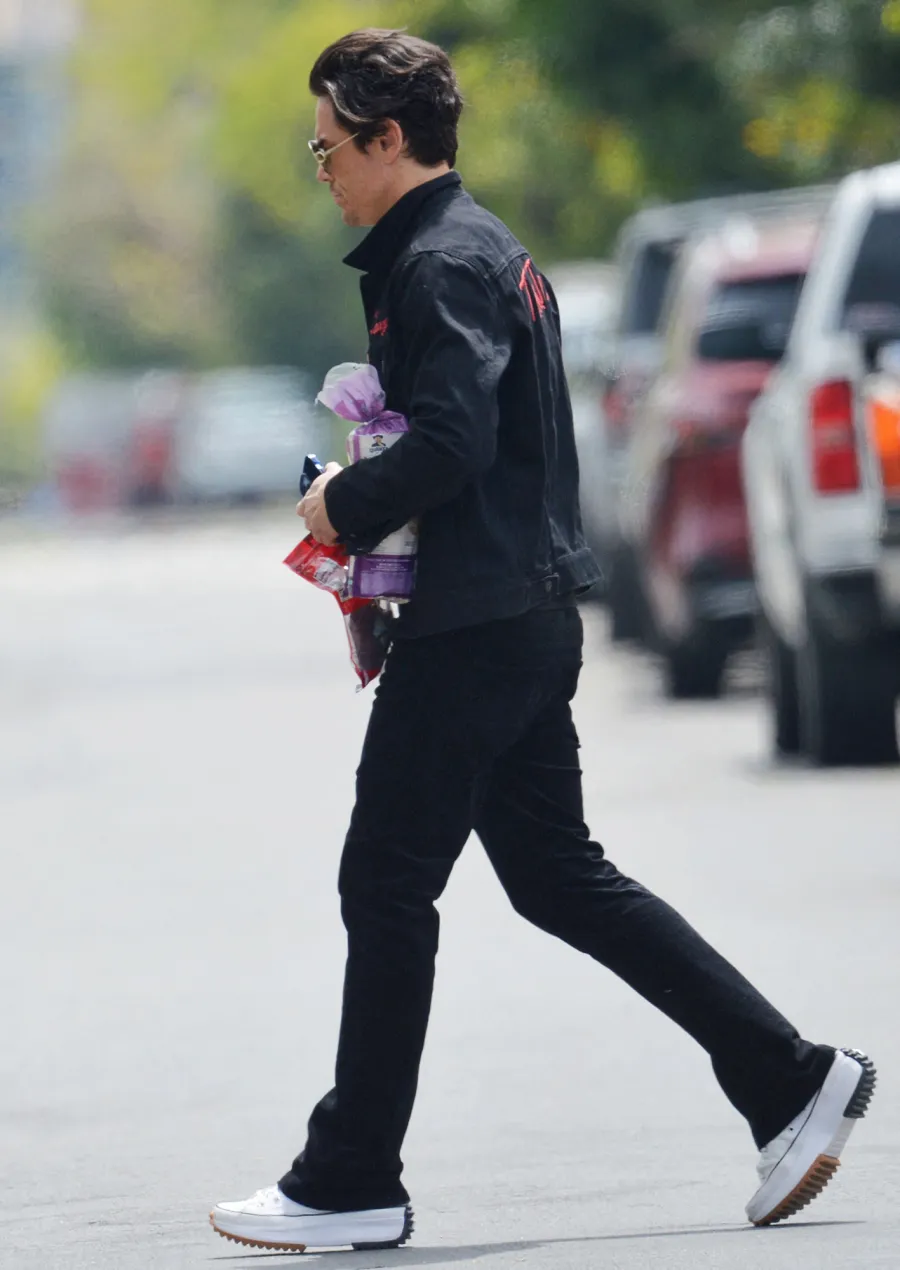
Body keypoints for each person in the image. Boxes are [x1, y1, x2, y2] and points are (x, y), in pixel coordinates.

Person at [210, 29, 875, 1253]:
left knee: (386, 884)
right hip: (519, 615)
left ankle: (350, 1173)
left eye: (327, 151)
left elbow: (455, 438)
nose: (323, 174)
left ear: (387, 138)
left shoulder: (442, 262)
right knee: (558, 875)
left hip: (478, 626)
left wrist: (339, 507)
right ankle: (788, 1077)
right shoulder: (477, 247)